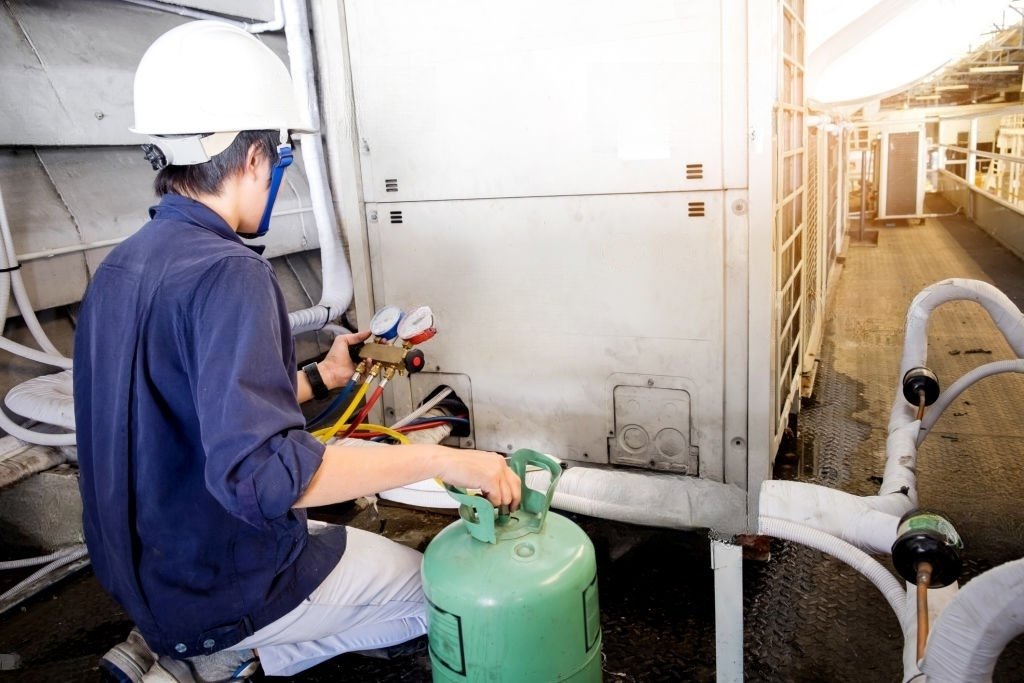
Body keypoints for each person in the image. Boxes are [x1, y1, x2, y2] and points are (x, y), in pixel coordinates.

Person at [73, 20, 521, 683]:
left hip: (148, 568)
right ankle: (220, 658)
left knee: (324, 544)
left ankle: (164, 645)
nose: (277, 173)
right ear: (254, 156)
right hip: (219, 581)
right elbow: (266, 480)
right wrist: (447, 461)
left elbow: (189, 410)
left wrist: (321, 376)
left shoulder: (121, 266)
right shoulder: (231, 272)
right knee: (440, 594)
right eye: (279, 160)